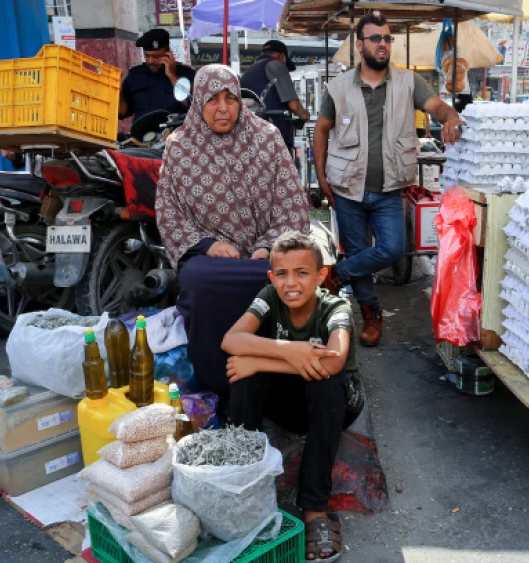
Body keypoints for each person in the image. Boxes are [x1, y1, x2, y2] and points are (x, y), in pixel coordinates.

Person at [157, 65, 310, 422]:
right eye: (212, 99)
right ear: (198, 103)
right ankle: (219, 389)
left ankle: (273, 383)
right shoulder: (179, 148)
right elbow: (168, 213)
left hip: (260, 258)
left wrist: (267, 245)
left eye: (231, 98)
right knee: (198, 281)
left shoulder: (267, 138)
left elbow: (291, 203)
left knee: (275, 277)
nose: (223, 108)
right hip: (210, 261)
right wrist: (208, 244)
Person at [314, 11, 463, 347]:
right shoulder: (337, 89)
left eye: (387, 38)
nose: (383, 45)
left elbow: (436, 106)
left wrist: (450, 116)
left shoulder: (409, 82)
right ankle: (371, 315)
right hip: (347, 187)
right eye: (375, 39)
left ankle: (338, 274)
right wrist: (321, 176)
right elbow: (321, 131)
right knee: (357, 250)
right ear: (359, 44)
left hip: (389, 189)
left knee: (392, 248)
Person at [222, 231, 361, 563]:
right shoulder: (269, 296)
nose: (291, 283)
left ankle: (314, 509)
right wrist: (291, 351)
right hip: (287, 403)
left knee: (326, 381)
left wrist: (259, 358)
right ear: (272, 277)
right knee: (244, 376)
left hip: (335, 404)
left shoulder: (335, 306)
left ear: (320, 275)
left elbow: (334, 359)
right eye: (282, 274)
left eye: (302, 273)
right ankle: (245, 486)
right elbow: (231, 339)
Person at [240, 40, 311, 159]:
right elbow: (294, 106)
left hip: (250, 135)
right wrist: (304, 115)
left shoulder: (251, 70)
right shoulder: (277, 65)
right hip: (274, 136)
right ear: (282, 56)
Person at [119, 29, 196, 121]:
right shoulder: (135, 75)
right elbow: (123, 112)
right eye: (147, 56)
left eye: (156, 57)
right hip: (144, 133)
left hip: (176, 132)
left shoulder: (186, 74)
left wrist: (172, 75)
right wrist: (118, 91)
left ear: (168, 53)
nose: (151, 61)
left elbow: (191, 105)